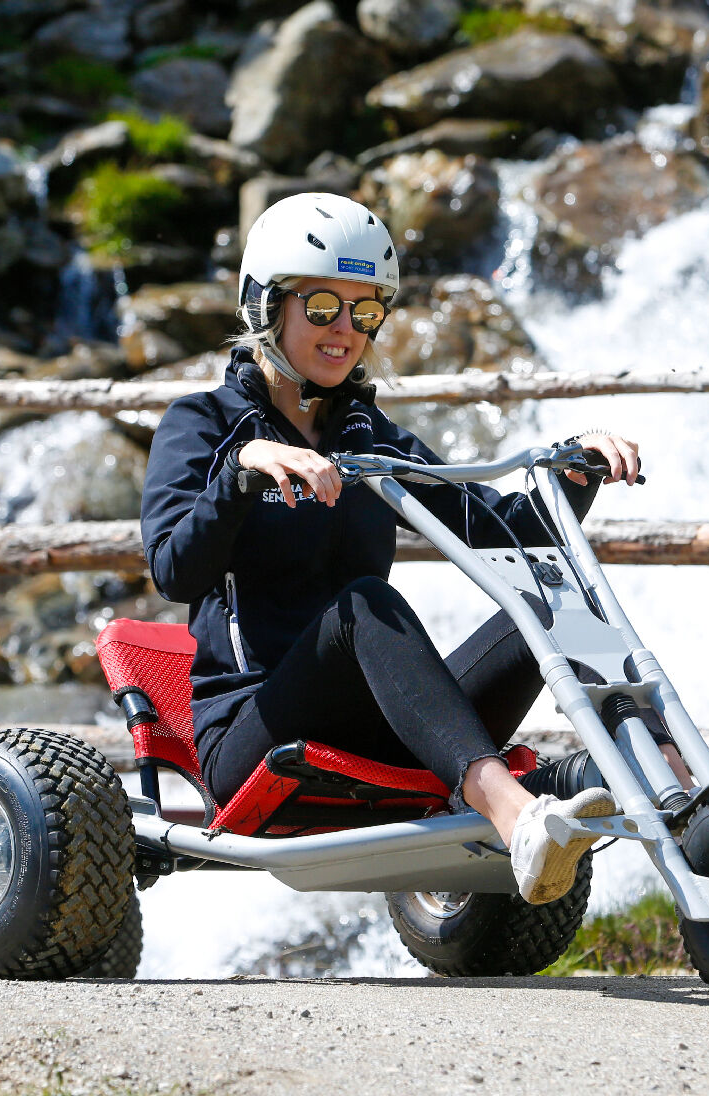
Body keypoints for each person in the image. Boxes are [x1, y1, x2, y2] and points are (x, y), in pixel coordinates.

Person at [141, 193, 643, 905]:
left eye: (366, 311)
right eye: (322, 306)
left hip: (384, 729)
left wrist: (577, 472)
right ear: (266, 306)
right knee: (364, 606)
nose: (345, 330)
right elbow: (172, 569)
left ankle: (667, 778)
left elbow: (503, 531)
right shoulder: (203, 424)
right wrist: (240, 473)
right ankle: (512, 811)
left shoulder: (367, 435)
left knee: (549, 599)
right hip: (253, 734)